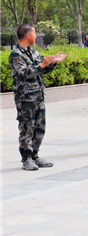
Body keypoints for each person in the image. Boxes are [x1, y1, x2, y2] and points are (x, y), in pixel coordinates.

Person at [9, 24, 67, 170]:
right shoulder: (16, 55)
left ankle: (35, 156)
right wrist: (42, 65)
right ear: (28, 35)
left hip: (38, 96)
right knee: (27, 128)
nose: (36, 36)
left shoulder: (34, 52)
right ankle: (26, 159)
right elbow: (25, 73)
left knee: (40, 128)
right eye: (34, 34)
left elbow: (43, 69)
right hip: (26, 98)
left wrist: (53, 62)